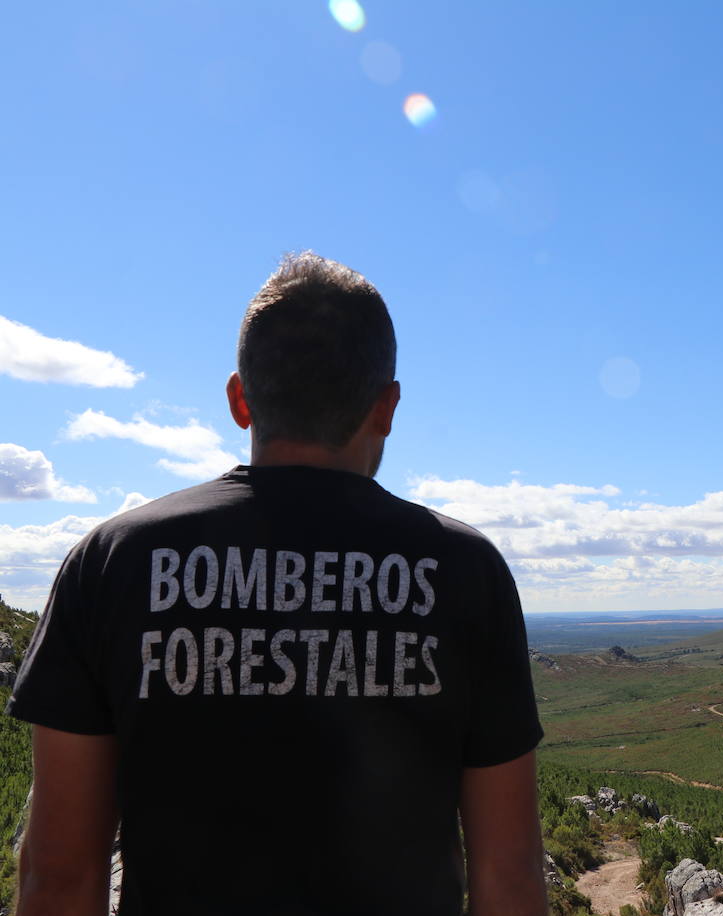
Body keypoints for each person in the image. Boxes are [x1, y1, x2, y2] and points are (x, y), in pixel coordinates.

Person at [7, 252, 548, 915]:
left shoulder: (112, 562)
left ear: (240, 398)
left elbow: (58, 875)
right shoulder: (467, 571)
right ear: (387, 406)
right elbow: (510, 875)